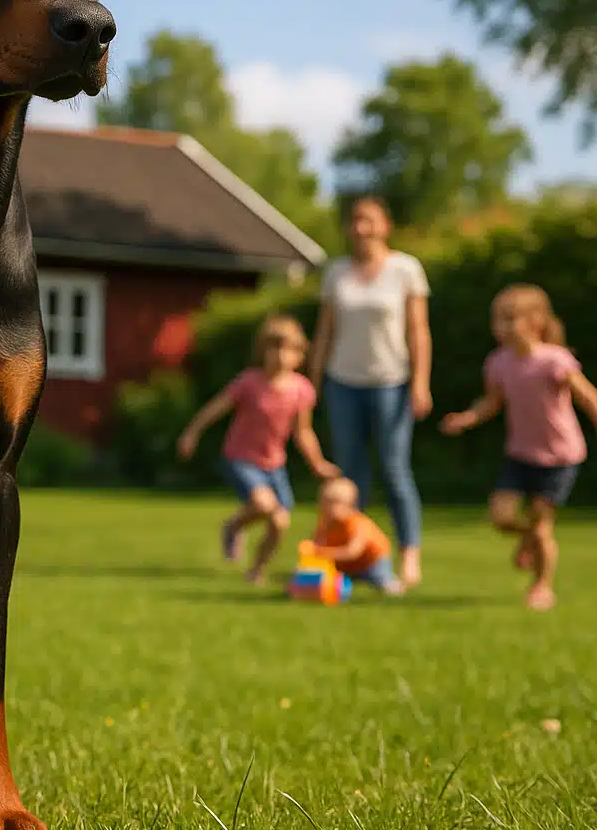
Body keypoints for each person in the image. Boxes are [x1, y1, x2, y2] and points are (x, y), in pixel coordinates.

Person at [440, 283, 597, 611]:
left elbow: (588, 396)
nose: (501, 327)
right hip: (520, 453)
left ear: (537, 321)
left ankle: (542, 587)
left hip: (559, 457)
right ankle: (527, 537)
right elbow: (492, 402)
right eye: (497, 320)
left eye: (509, 319)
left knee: (544, 528)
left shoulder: (554, 360)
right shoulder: (498, 362)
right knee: (500, 517)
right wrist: (467, 418)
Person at [308, 194, 431, 590]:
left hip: (391, 381)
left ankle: (408, 553)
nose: (362, 227)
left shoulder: (405, 269)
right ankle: (353, 556)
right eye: (356, 220)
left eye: (370, 220)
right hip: (342, 381)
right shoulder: (336, 273)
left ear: (385, 225)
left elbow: (418, 331)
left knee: (395, 470)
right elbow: (324, 332)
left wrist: (421, 381)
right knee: (349, 476)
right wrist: (311, 382)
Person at [176, 314, 341, 584]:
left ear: (300, 355)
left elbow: (303, 433)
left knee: (280, 522)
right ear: (262, 351)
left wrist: (318, 463)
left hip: (274, 464)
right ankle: (233, 527)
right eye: (273, 348)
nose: (280, 355)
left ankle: (256, 569)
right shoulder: (249, 383)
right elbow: (216, 409)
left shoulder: (301, 390)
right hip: (240, 459)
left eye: (289, 349)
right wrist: (192, 432)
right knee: (264, 505)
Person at [304, 475, 405, 595]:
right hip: (346, 564)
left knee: (382, 581)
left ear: (349, 505)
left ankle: (393, 584)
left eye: (331, 504)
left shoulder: (356, 523)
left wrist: (322, 552)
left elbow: (353, 551)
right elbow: (317, 544)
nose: (325, 508)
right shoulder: (324, 523)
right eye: (323, 502)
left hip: (372, 561)